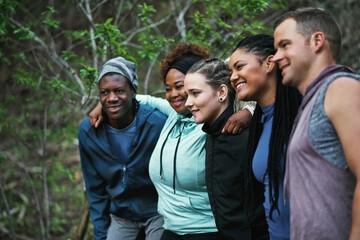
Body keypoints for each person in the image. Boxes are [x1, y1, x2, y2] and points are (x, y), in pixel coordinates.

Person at [89, 43, 253, 240]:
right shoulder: (172, 116)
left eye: (183, 87)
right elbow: (146, 99)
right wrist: (108, 102)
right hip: (171, 229)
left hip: (206, 230)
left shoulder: (210, 123)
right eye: (168, 88)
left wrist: (249, 110)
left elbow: (237, 76)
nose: (174, 94)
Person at [272, 7, 360, 240]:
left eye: (285, 45)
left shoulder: (341, 88)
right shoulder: (312, 101)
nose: (276, 56)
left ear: (317, 41)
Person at [78, 57, 167, 240]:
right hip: (122, 216)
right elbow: (95, 190)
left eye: (119, 91)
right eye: (105, 92)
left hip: (158, 211)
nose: (111, 98)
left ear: (133, 92)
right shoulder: (89, 132)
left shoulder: (156, 124)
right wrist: (101, 235)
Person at [184, 58, 269, 240]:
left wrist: (250, 111)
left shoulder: (245, 135)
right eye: (187, 95)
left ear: (222, 92)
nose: (188, 103)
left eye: (195, 93)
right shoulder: (211, 132)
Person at [228, 34, 302, 240]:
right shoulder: (262, 122)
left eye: (239, 67)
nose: (233, 77)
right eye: (231, 71)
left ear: (269, 63)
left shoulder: (302, 114)